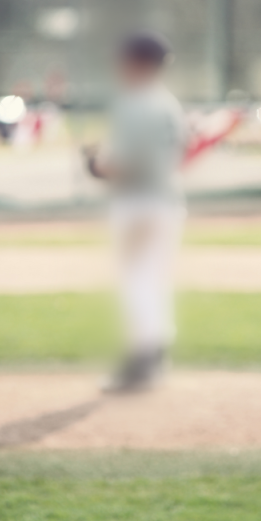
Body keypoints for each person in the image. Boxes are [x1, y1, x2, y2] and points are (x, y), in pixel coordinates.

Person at [82, 31, 187, 393]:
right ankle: (154, 355)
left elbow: (125, 163)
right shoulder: (168, 103)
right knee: (153, 278)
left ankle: (142, 361)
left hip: (138, 202)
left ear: (138, 62)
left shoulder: (135, 101)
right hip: (167, 201)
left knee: (137, 279)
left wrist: (95, 164)